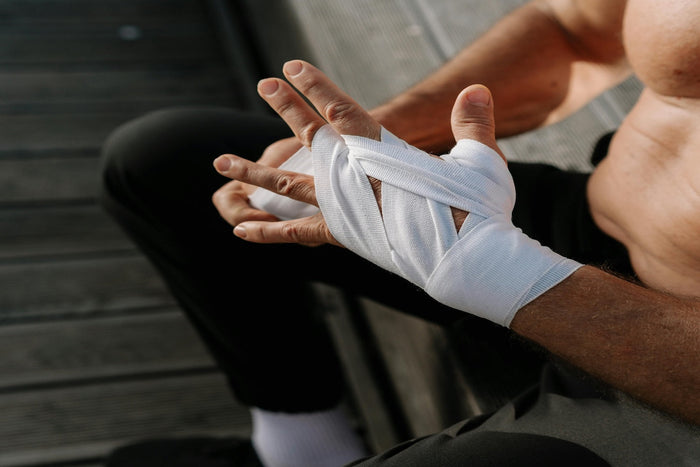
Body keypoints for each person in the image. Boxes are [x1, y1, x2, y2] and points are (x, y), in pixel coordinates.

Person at [100, 0, 699, 465]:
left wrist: (501, 271)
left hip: (674, 375)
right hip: (583, 221)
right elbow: (578, 34)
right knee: (161, 163)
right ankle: (299, 448)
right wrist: (377, 150)